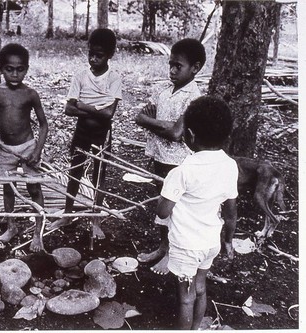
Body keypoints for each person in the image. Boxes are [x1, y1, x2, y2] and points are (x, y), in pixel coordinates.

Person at [156, 95, 237, 329]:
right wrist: (229, 242)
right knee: (200, 288)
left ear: (189, 135)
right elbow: (231, 212)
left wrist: (166, 195)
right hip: (211, 242)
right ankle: (196, 328)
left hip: (186, 245)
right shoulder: (230, 166)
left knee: (186, 298)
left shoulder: (182, 171)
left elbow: (162, 212)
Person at [134, 38, 206, 274]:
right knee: (162, 205)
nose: (172, 71)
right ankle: (163, 247)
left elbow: (177, 133)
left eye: (179, 66)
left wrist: (151, 122)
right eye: (171, 65)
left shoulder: (193, 97)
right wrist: (157, 123)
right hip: (159, 156)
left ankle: (174, 253)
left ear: (195, 68)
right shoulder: (165, 92)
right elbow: (140, 116)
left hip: (178, 162)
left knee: (176, 210)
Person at [47, 28, 122, 239]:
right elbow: (68, 109)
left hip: (102, 134)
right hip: (82, 131)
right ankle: (68, 213)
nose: (94, 59)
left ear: (110, 54)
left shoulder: (114, 78)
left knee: (99, 176)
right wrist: (94, 109)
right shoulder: (80, 76)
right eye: (91, 54)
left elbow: (108, 114)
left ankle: (96, 220)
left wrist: (84, 105)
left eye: (99, 55)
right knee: (75, 171)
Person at [0, 43, 48, 252]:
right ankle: (11, 226)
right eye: (9, 69)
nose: (14, 74)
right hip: (5, 148)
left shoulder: (30, 94)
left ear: (26, 69)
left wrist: (37, 151)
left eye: (20, 69)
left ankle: (38, 232)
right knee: (8, 187)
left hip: (28, 146)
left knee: (33, 187)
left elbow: (43, 124)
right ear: (1, 68)